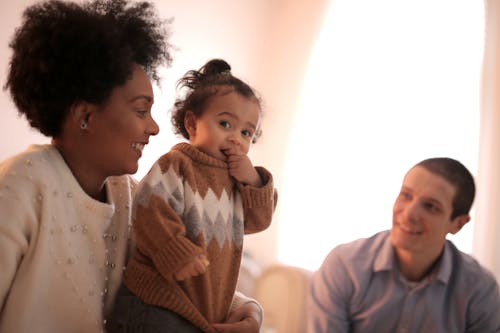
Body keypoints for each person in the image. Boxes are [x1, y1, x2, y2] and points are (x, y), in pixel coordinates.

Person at [0, 1, 265, 333]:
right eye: (142, 111)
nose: (154, 128)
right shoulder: (20, 183)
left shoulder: (131, 195)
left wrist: (248, 310)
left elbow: (173, 281)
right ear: (86, 117)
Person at [107, 58, 277, 333]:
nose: (236, 138)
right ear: (192, 123)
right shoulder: (178, 165)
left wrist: (253, 181)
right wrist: (174, 250)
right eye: (225, 124)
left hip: (198, 307)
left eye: (247, 132)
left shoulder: (236, 181)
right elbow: (150, 208)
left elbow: (259, 221)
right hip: (156, 301)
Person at [308, 157, 500, 333]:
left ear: (458, 224)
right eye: (406, 195)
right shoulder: (344, 266)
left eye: (430, 206)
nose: (408, 214)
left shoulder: (480, 291)